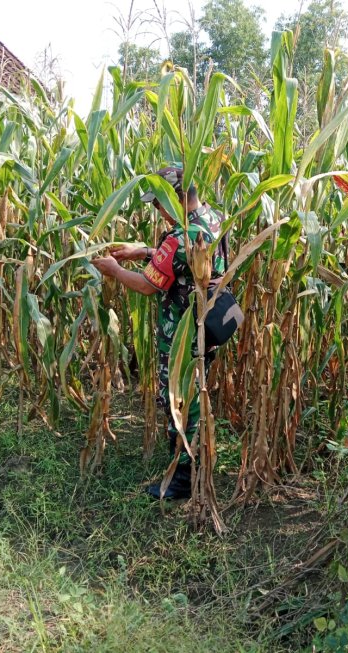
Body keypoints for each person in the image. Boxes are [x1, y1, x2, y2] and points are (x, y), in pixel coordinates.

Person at [91, 166, 226, 500]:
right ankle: (197, 462)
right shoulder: (211, 219)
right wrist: (144, 252)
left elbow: (148, 285)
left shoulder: (177, 237)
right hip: (208, 327)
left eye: (159, 203)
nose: (159, 210)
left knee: (181, 399)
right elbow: (184, 259)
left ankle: (183, 477)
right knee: (197, 391)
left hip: (182, 335)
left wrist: (116, 269)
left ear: (175, 198)